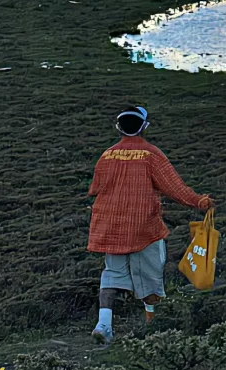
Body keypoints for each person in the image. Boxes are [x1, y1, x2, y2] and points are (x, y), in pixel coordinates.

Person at [87, 105, 213, 345]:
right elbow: (174, 188)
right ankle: (152, 325)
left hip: (110, 225)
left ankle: (103, 325)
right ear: (144, 126)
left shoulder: (107, 155)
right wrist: (199, 201)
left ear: (119, 128)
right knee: (151, 274)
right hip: (143, 225)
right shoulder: (151, 154)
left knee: (112, 273)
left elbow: (95, 188)